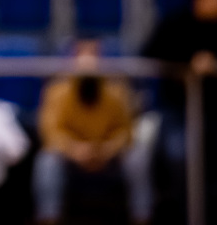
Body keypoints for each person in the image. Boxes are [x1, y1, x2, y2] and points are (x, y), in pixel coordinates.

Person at [141, 0, 217, 224]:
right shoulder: (175, 21)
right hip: (179, 108)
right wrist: (187, 67)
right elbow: (149, 54)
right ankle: (187, 215)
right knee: (178, 154)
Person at [34, 38, 149, 225]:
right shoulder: (57, 90)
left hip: (109, 157)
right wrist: (75, 150)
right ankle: (49, 218)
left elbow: (126, 131)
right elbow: (50, 132)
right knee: (46, 162)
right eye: (82, 54)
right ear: (73, 58)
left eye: (93, 53)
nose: (88, 60)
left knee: (138, 157)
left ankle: (142, 217)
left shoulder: (117, 89)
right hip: (70, 158)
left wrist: (107, 149)